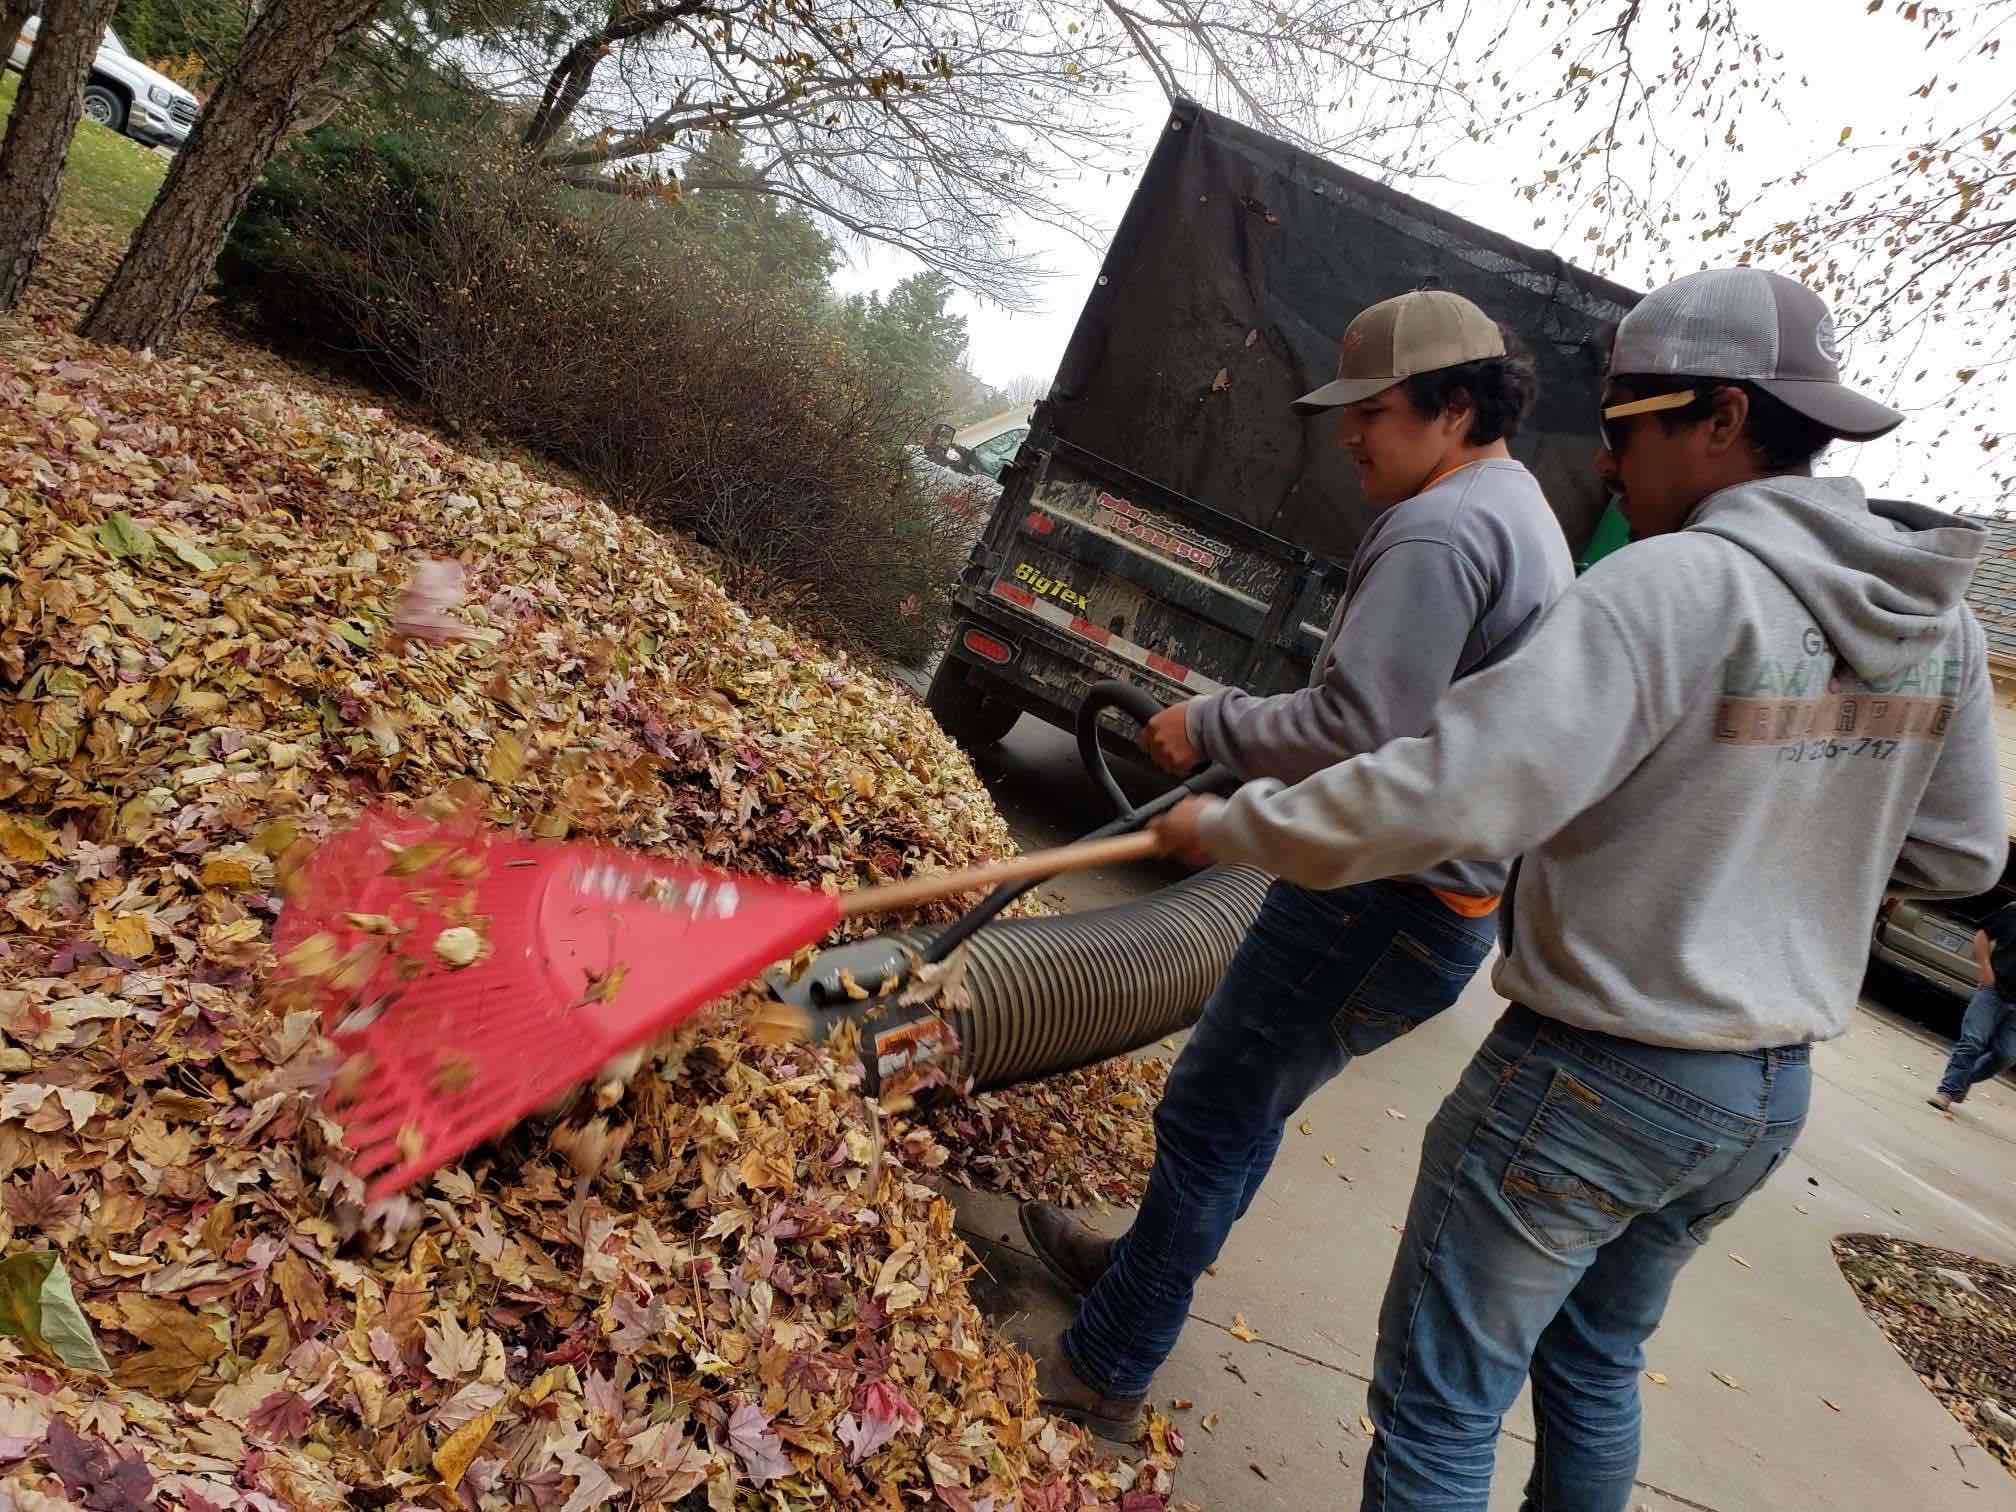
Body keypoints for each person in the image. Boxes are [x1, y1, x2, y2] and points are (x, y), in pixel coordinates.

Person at [1151, 266, 2006, 1511]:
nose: (1608, 467)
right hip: (1758, 1098)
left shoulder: (1673, 588)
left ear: (1718, 417)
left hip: (1597, 1076)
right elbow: (1960, 859)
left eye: (1625, 430)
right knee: (1597, 1367)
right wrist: (1792, 821)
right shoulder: (1945, 627)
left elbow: (1450, 791)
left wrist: (1242, 824)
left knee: (1443, 1408)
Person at [1022, 288, 1574, 1440]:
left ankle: (1106, 1367)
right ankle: (1134, 1278)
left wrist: (1210, 725)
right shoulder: (1520, 510)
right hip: (1439, 902)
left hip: (1379, 896)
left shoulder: (1441, 529)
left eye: (1371, 411)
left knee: (1216, 1110)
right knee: (1245, 1110)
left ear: (1454, 405)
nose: (1348, 435)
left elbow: (1358, 725)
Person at [1929, 903, 2016, 1110]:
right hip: (1994, 990)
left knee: (2005, 1056)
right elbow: (1982, 935)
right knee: (1973, 1041)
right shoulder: (2013, 911)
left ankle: (1962, 1081)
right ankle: (1947, 1092)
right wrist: (1986, 970)